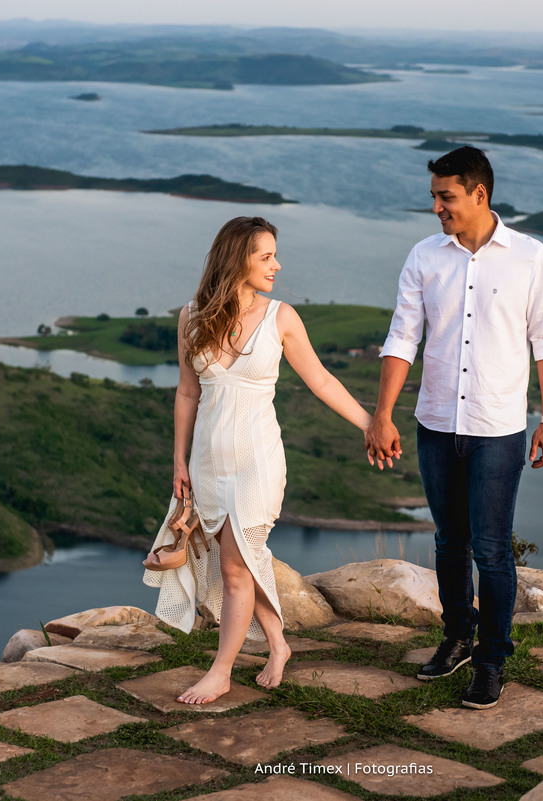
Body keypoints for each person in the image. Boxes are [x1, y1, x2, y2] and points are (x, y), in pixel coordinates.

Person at [365, 146, 543, 709]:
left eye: (445, 196)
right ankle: (456, 637)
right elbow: (403, 337)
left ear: (479, 194)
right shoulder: (425, 256)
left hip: (497, 428)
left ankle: (492, 660)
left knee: (492, 550)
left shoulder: (530, 257)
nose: (435, 207)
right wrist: (382, 414)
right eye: (433, 196)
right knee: (450, 542)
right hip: (435, 423)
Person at [148, 216, 373, 705]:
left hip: (259, 463)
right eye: (265, 256)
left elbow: (323, 381)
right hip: (209, 464)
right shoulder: (191, 316)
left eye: (274, 254)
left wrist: (369, 423)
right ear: (237, 260)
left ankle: (221, 670)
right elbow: (187, 393)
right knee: (242, 565)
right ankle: (278, 646)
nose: (277, 264)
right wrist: (178, 461)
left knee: (234, 567)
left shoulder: (282, 318)